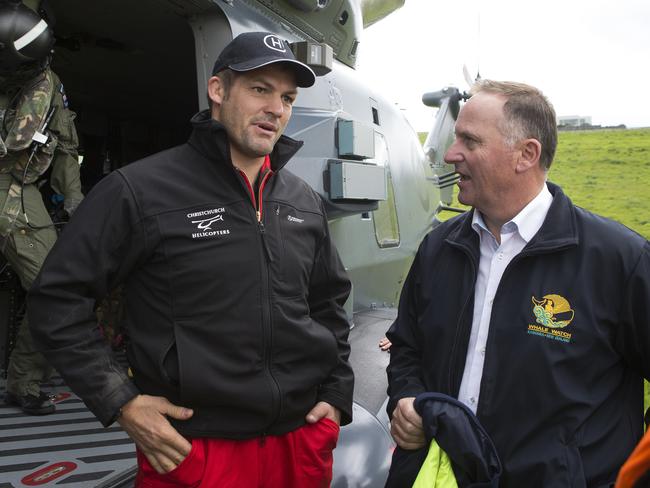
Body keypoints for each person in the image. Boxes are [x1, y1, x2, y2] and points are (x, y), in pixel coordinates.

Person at [28, 31, 353, 487]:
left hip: (299, 444)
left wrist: (337, 391)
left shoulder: (301, 200)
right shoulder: (140, 191)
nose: (276, 109)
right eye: (259, 89)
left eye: (287, 97)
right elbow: (56, 300)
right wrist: (121, 401)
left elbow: (329, 304)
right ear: (218, 90)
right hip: (194, 449)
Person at [385, 80, 650, 486]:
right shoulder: (440, 247)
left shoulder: (619, 260)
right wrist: (406, 398)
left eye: (469, 141)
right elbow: (407, 345)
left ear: (526, 154)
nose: (451, 154)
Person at [0, 0, 82, 415]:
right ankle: (24, 381)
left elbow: (64, 145)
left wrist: (76, 201)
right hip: (10, 192)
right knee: (56, 291)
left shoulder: (46, 82)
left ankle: (24, 380)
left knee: (55, 290)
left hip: (16, 190)